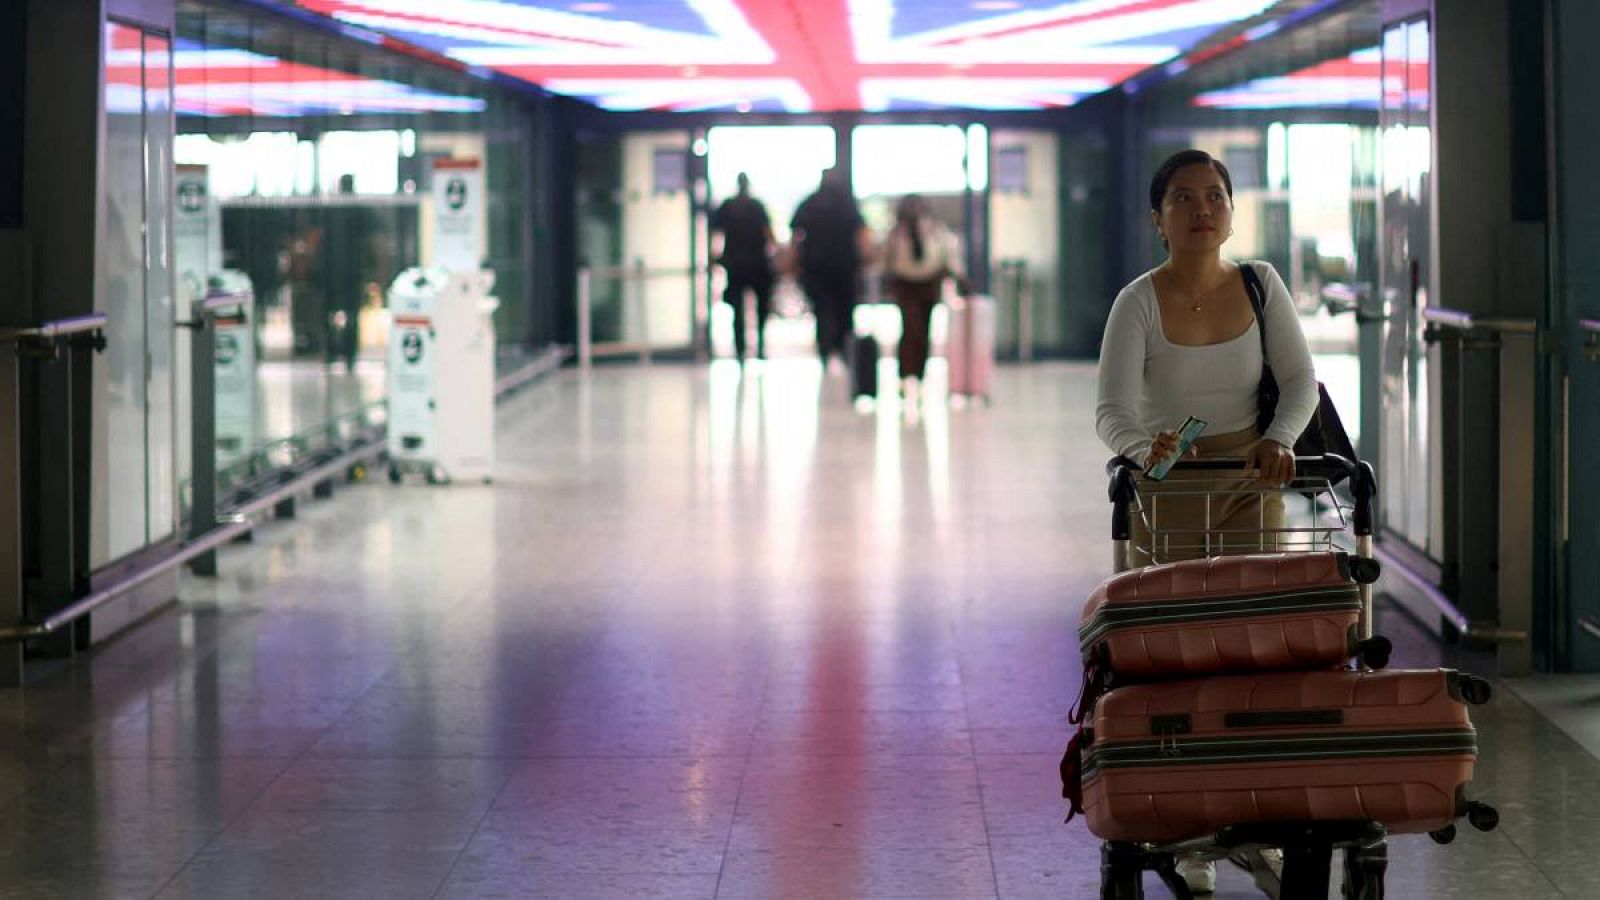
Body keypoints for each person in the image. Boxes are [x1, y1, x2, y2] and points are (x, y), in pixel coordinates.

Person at [1095, 149, 1317, 894]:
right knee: (1178, 659)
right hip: (1167, 493)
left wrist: (1280, 440)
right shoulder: (1138, 303)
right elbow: (1112, 412)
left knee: (1253, 656)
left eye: (1214, 195)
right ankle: (1186, 832)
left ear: (1230, 210)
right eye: (1183, 199)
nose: (1201, 209)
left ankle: (1255, 826)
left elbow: (1299, 381)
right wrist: (1141, 449)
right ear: (1157, 220)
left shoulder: (1261, 286)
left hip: (1251, 485)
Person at [881, 194, 965, 407]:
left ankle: (919, 375)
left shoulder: (936, 230)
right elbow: (887, 260)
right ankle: (904, 375)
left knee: (924, 330)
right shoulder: (897, 233)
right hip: (906, 285)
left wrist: (957, 277)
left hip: (929, 284)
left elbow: (948, 255)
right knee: (911, 328)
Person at [790, 168, 868, 367]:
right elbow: (862, 234)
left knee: (822, 310)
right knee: (844, 311)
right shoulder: (847, 204)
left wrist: (795, 261)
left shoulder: (810, 203)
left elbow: (795, 235)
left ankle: (826, 350)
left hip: (817, 267)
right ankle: (842, 351)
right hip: (843, 267)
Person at [710, 173, 776, 361]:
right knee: (759, 308)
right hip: (756, 264)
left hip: (736, 264)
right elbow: (769, 234)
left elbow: (715, 235)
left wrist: (714, 258)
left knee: (738, 309)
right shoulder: (756, 206)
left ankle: (740, 348)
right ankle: (759, 346)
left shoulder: (728, 207)